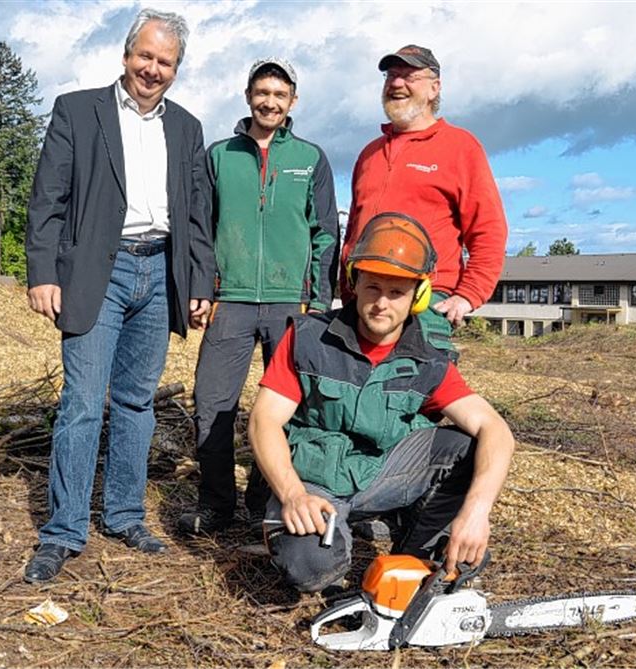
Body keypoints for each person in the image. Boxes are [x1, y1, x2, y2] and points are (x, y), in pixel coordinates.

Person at [23, 8, 213, 583]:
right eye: (146, 57)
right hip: (94, 276)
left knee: (135, 402)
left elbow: (197, 214)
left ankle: (125, 515)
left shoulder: (186, 127)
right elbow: (47, 198)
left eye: (166, 62)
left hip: (160, 273)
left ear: (177, 69)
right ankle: (64, 530)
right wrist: (41, 272)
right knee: (82, 403)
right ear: (126, 54)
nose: (153, 70)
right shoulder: (78, 111)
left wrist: (200, 283)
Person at [249, 212, 514, 592]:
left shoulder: (428, 359)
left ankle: (414, 552)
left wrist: (477, 512)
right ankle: (315, 535)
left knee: (468, 448)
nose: (381, 304)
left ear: (418, 296)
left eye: (396, 293)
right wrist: (292, 494)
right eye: (373, 288)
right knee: (310, 568)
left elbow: (496, 431)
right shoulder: (307, 338)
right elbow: (263, 421)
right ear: (355, 285)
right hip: (312, 480)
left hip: (381, 475)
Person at [178, 58, 339, 535]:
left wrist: (320, 298)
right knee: (212, 403)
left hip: (293, 303)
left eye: (280, 94)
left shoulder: (310, 159)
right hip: (232, 301)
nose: (270, 101)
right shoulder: (220, 155)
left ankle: (268, 501)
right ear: (248, 95)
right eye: (262, 92)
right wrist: (202, 288)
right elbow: (200, 229)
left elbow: (326, 230)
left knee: (290, 409)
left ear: (293, 101)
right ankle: (217, 505)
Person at [341, 45, 508, 357]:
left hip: (424, 301)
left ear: (435, 88)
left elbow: (489, 229)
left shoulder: (461, 147)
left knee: (418, 398)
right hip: (365, 302)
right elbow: (353, 232)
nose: (396, 83)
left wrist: (468, 295)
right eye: (391, 75)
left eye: (409, 76)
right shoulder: (369, 154)